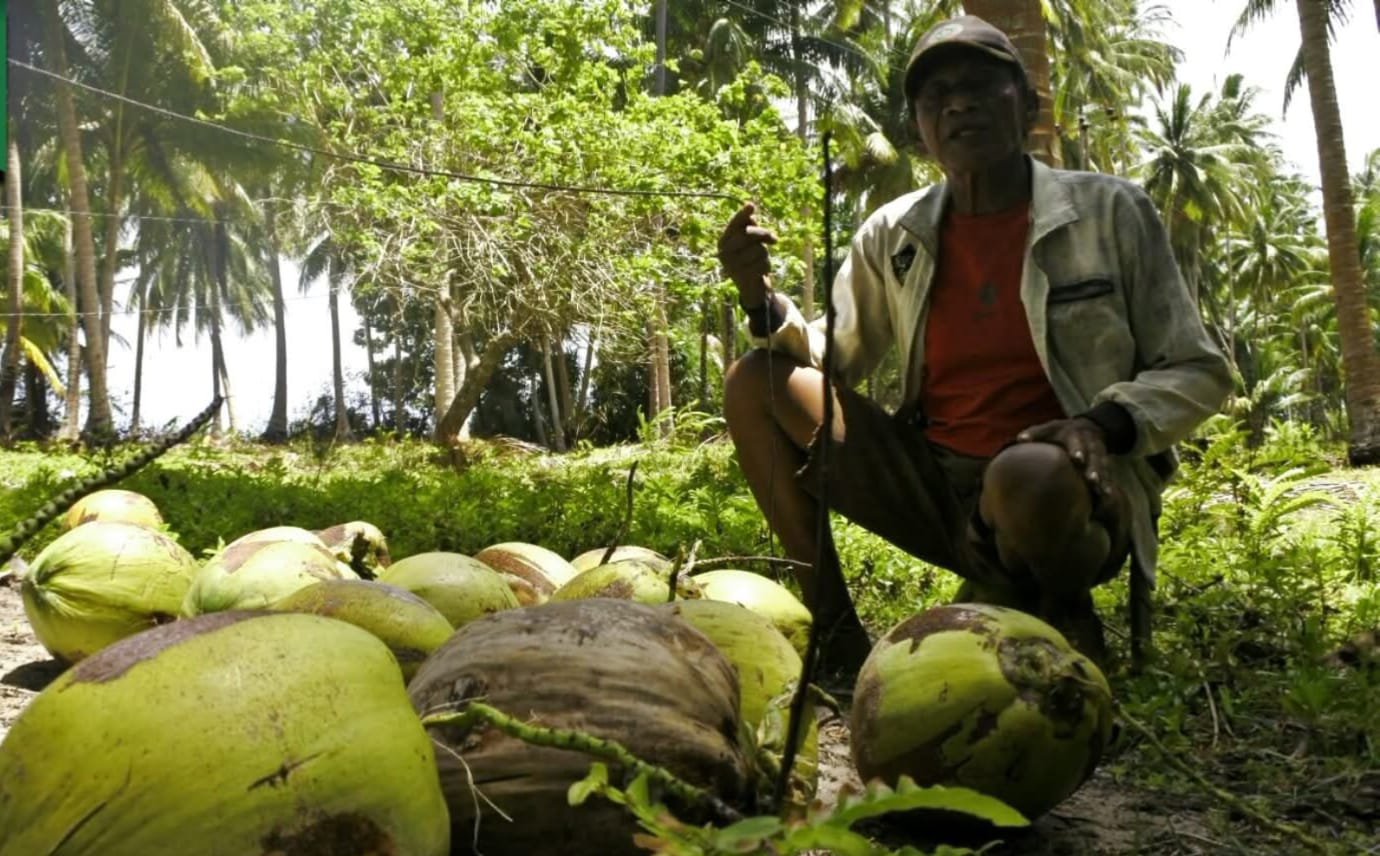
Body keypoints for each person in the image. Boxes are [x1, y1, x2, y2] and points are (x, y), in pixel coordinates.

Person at [716, 14, 1231, 681]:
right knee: (755, 381)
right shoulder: (894, 233)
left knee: (1026, 475)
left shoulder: (1111, 211)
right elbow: (834, 354)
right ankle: (837, 641)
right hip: (939, 486)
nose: (959, 104)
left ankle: (1058, 608)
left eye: (981, 86)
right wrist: (759, 297)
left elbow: (1197, 368)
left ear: (1029, 107)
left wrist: (1102, 424)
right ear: (919, 131)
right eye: (937, 96)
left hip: (1069, 488)